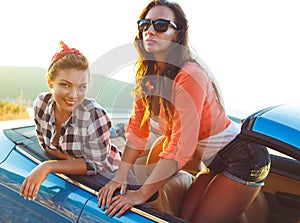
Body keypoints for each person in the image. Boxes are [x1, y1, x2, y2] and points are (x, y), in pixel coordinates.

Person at [97, 1, 270, 222]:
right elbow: (137, 131)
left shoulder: (189, 75)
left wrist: (141, 194)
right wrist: (118, 177)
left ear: (177, 34)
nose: (149, 30)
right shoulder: (146, 78)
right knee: (184, 217)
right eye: (144, 24)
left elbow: (182, 146)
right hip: (214, 161)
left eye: (160, 25)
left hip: (243, 158)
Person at [19, 41, 122, 200]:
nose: (74, 95)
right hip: (77, 176)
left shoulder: (95, 115)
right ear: (50, 82)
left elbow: (95, 165)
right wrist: (73, 161)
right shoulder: (41, 104)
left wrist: (49, 166)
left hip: (110, 176)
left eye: (81, 87)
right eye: (65, 85)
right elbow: (45, 145)